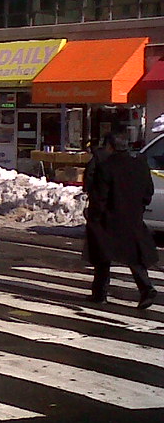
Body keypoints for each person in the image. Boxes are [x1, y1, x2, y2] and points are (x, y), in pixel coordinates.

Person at [85, 128, 158, 308]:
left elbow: (100, 196)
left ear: (110, 146)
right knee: (133, 255)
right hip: (133, 216)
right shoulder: (140, 164)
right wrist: (139, 207)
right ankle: (146, 287)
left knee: (102, 254)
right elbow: (148, 191)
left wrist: (94, 216)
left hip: (109, 218)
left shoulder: (107, 166)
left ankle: (100, 293)